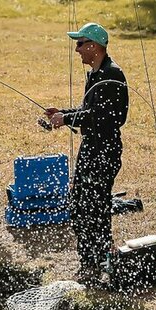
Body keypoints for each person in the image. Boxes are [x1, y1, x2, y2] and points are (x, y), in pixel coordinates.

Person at [44, 22, 128, 286]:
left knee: (95, 208)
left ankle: (102, 262)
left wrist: (66, 119)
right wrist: (64, 115)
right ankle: (88, 261)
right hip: (91, 148)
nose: (77, 49)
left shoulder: (111, 75)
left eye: (80, 44)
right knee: (80, 205)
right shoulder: (96, 73)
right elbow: (89, 112)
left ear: (94, 46)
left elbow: (104, 118)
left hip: (104, 151)